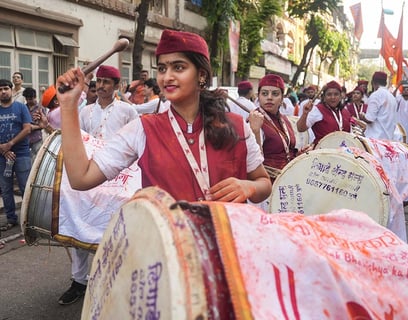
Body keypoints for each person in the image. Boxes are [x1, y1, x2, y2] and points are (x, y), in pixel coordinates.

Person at [56, 27, 270, 215]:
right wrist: (68, 106)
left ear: (201, 75)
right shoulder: (143, 129)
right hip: (169, 255)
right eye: (161, 68)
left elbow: (263, 183)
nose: (166, 77)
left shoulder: (236, 126)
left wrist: (247, 187)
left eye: (178, 67)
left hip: (228, 251)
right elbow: (81, 178)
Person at [55, 65, 139, 305]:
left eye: (106, 82)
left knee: (111, 231)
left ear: (117, 86)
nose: (101, 86)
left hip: (117, 181)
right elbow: (76, 141)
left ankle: (111, 284)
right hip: (88, 176)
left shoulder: (127, 111)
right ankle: (79, 281)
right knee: (78, 227)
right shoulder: (84, 111)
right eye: (98, 81)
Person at [248, 74, 297, 180]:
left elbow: (286, 150)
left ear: (282, 98)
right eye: (264, 93)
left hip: (287, 179)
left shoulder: (284, 119)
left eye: (275, 94)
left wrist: (301, 153)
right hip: (267, 185)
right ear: (259, 97)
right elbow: (254, 161)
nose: (269, 97)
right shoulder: (255, 120)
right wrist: (255, 131)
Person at [0, 79, 32, 230]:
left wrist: (10, 144)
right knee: (6, 189)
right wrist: (3, 149)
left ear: (12, 90)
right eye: (0, 89)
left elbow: (27, 129)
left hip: (22, 154)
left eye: (6, 88)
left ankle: (28, 219)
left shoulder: (21, 107)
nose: (3, 91)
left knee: (25, 187)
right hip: (2, 157)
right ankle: (11, 218)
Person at [297, 80, 352, 146]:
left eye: (336, 94)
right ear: (324, 97)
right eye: (329, 94)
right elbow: (300, 128)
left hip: (343, 153)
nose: (333, 97)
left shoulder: (345, 112)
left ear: (340, 96)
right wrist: (305, 114)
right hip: (323, 152)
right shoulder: (317, 110)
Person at [358, 71, 397, 140]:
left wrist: (362, 116)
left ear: (373, 82)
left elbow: (370, 119)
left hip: (375, 139)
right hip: (388, 138)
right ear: (385, 83)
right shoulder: (392, 97)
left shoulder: (376, 95)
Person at [22, 88, 46, 163]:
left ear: (35, 97)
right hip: (25, 138)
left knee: (37, 159)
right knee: (26, 160)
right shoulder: (23, 108)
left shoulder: (40, 108)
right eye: (27, 99)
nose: (29, 101)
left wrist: (34, 127)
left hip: (36, 138)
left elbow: (43, 125)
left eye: (30, 99)